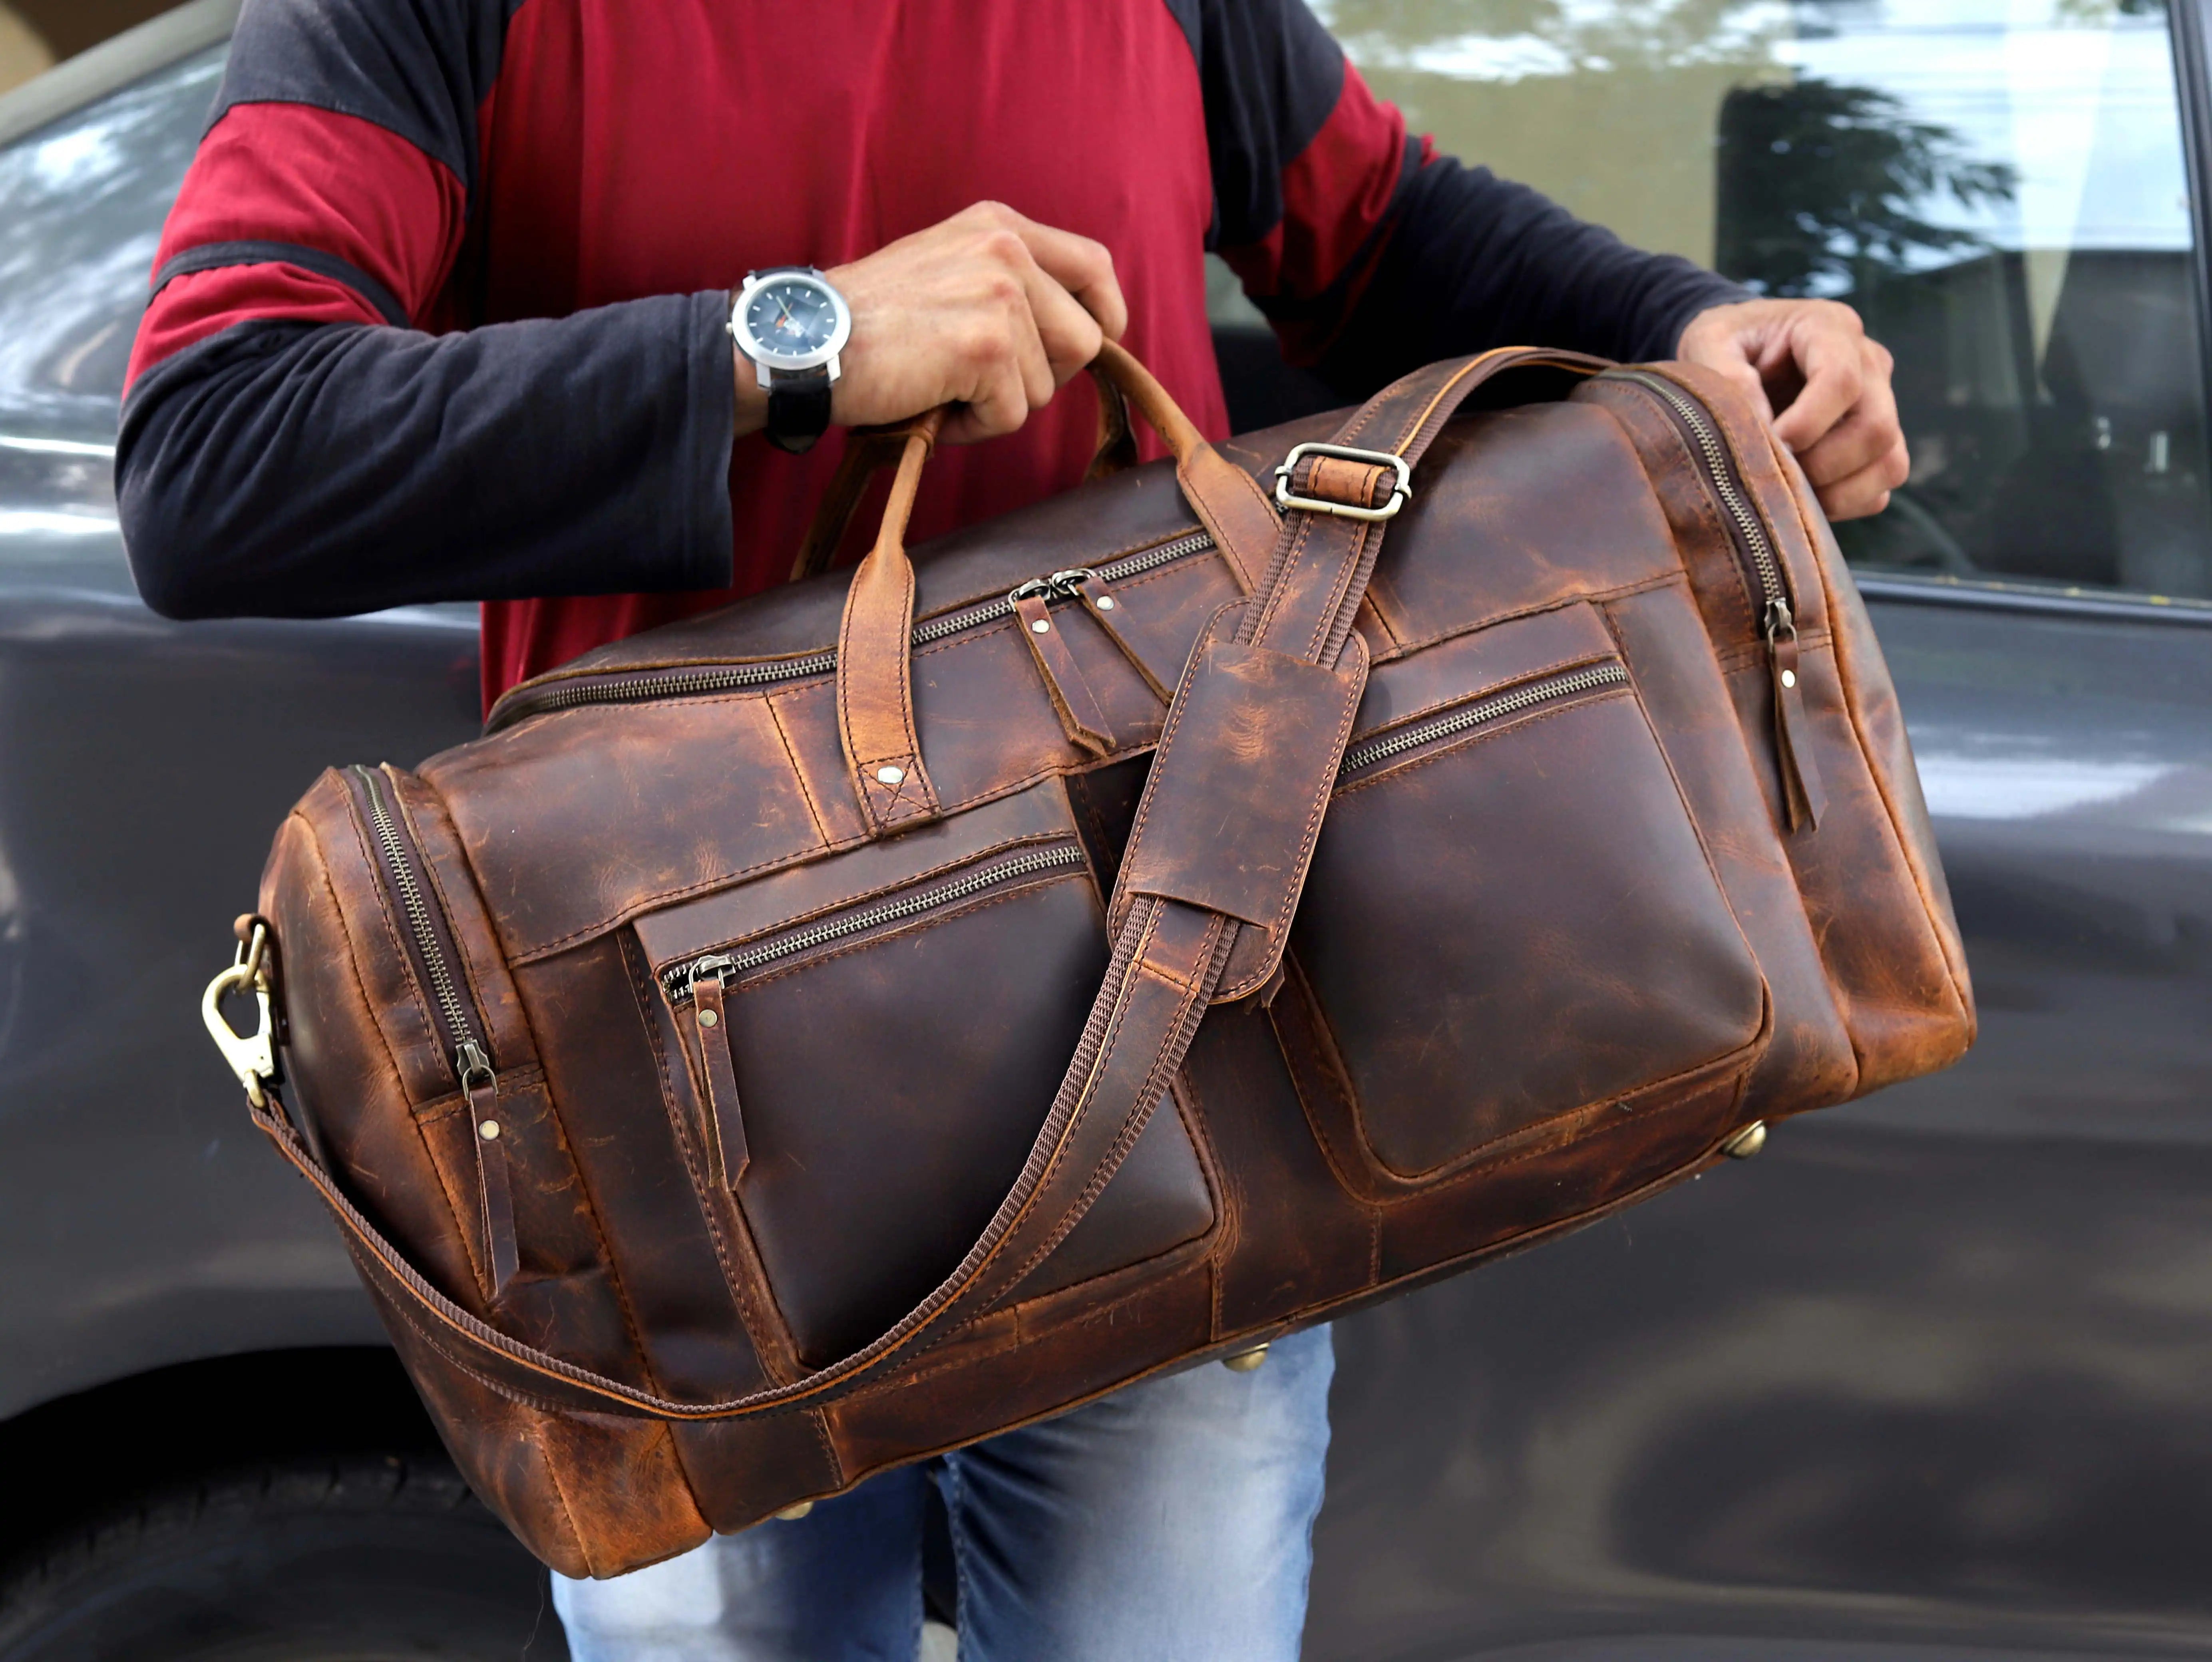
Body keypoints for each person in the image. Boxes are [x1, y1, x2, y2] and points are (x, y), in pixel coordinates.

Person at [117, 1, 1910, 1656]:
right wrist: (792, 341)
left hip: (1184, 1025)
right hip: (680, 1128)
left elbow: (1381, 236)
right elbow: (214, 450)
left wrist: (1683, 324)